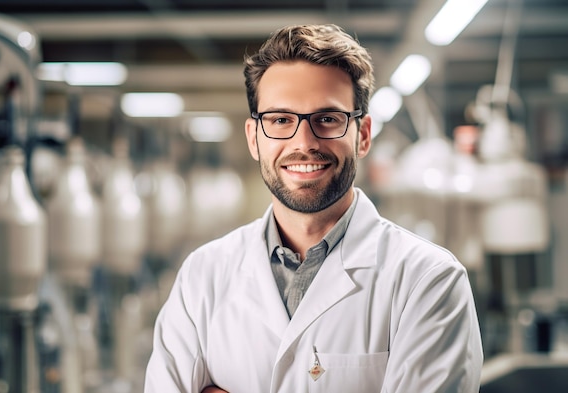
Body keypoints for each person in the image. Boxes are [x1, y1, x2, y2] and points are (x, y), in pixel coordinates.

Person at [144, 24, 483, 392]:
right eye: (280, 120)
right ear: (253, 138)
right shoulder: (203, 275)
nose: (303, 142)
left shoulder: (428, 280)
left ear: (363, 135)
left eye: (327, 119)